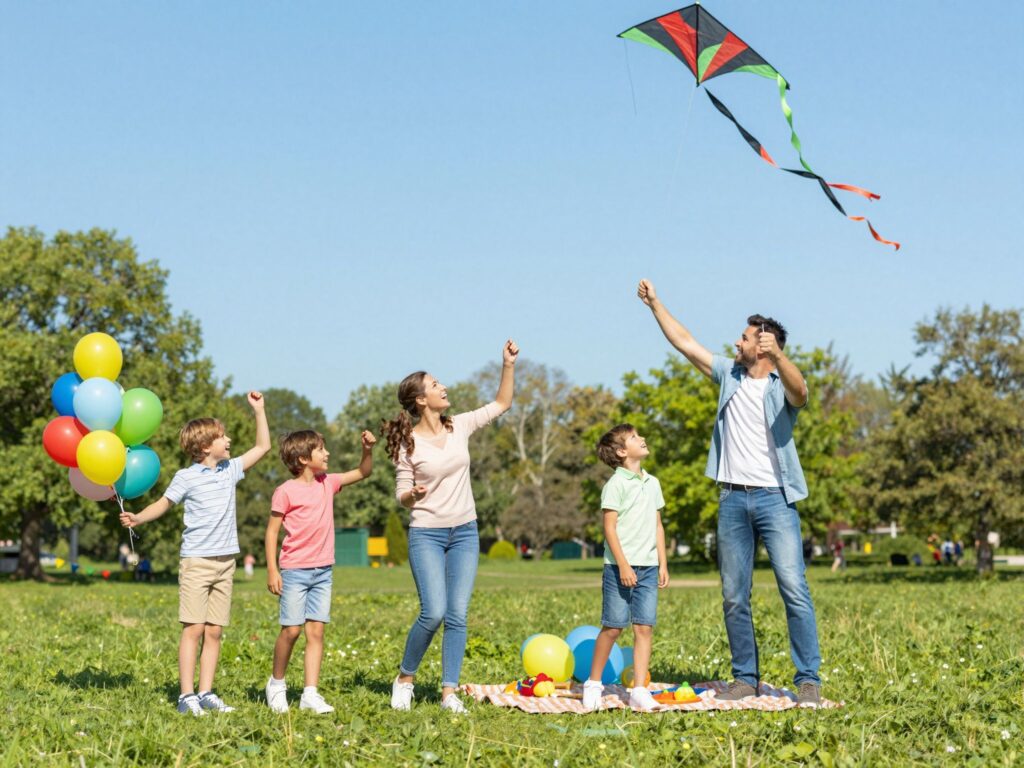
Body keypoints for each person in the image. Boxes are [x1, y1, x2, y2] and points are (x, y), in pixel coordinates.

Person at [637, 279, 823, 707]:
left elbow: (803, 392)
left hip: (776, 499)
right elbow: (685, 343)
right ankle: (745, 677)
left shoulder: (781, 384)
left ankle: (808, 680)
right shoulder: (729, 376)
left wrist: (779, 355)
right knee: (734, 594)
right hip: (732, 500)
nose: (735, 342)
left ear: (762, 345)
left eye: (743, 337)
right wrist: (656, 304)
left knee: (793, 587)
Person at [384, 340, 518, 713]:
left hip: (465, 532)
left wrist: (506, 364)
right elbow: (401, 495)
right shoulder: (407, 444)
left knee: (458, 613)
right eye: (435, 384)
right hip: (426, 533)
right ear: (421, 399)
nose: (444, 387)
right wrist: (413, 493)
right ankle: (405, 678)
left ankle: (449, 692)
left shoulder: (459, 426)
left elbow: (502, 404)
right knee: (434, 611)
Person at [121, 392, 271, 716]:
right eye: (222, 436)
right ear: (205, 447)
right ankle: (186, 696)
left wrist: (259, 411)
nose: (229, 440)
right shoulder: (185, 477)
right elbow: (163, 504)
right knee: (194, 629)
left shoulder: (230, 469)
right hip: (196, 562)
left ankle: (206, 692)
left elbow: (263, 448)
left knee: (215, 630)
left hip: (225, 562)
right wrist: (138, 517)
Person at [264, 428, 376, 714]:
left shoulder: (329, 482)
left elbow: (364, 472)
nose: (327, 454)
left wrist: (367, 450)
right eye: (321, 450)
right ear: (303, 458)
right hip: (294, 571)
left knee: (316, 632)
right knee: (291, 630)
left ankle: (310, 694)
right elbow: (272, 532)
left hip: (323, 571)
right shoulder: (285, 491)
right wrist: (272, 570)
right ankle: (276, 684)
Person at [582, 424, 669, 712]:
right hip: (619, 567)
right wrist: (623, 565)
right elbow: (609, 528)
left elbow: (657, 525)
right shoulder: (615, 484)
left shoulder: (652, 482)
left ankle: (640, 690)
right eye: (634, 438)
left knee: (644, 627)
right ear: (621, 452)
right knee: (614, 627)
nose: (642, 438)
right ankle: (593, 683)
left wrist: (662, 563)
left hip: (647, 566)